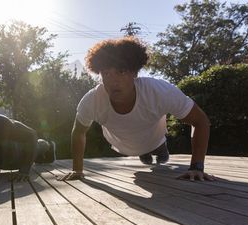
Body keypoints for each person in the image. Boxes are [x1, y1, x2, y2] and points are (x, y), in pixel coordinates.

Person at [59, 37, 214, 182]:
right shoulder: (92, 100)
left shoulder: (159, 91)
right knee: (141, 151)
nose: (113, 81)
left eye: (121, 71)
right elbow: (78, 131)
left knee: (153, 152)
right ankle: (144, 151)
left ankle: (160, 147)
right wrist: (77, 170)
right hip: (123, 146)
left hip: (154, 137)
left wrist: (197, 167)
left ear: (134, 72)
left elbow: (201, 121)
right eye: (106, 73)